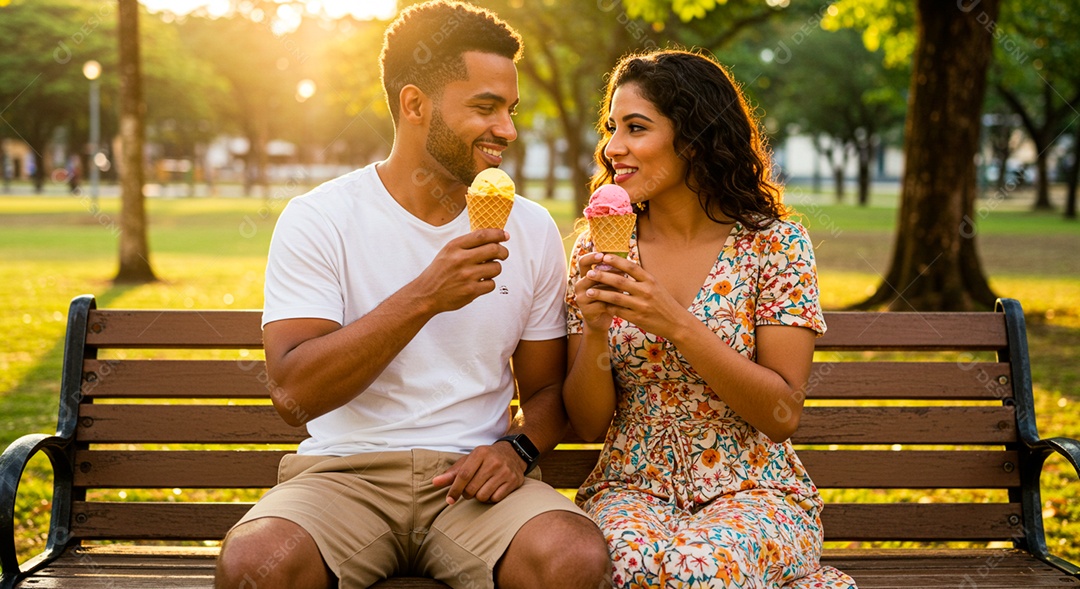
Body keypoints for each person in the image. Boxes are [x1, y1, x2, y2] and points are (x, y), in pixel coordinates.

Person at [214, 2, 611, 588]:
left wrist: (518, 450)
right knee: (254, 564)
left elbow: (549, 391)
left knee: (572, 557)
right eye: (485, 107)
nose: (507, 129)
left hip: (473, 482)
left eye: (510, 109)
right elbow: (294, 391)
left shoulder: (530, 230)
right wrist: (425, 295)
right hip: (342, 475)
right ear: (414, 104)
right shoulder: (320, 219)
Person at [563, 49, 858, 588]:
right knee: (623, 568)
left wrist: (675, 322)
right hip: (631, 487)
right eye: (611, 128)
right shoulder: (601, 247)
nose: (613, 148)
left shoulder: (775, 245)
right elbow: (588, 425)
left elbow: (781, 412)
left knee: (698, 571)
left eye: (636, 128)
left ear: (694, 139)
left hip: (754, 489)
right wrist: (598, 328)